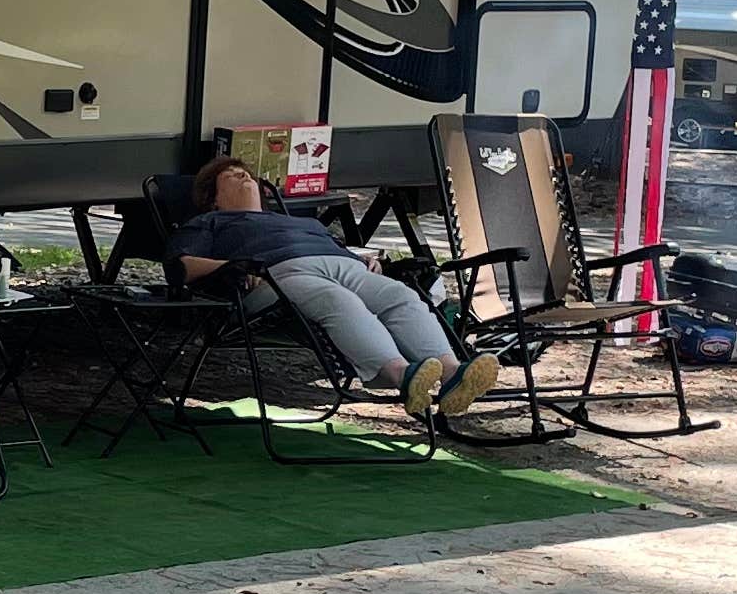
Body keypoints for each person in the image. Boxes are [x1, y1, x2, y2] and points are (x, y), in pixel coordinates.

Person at [168, 155, 504, 419]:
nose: (244, 177)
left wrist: (363, 259)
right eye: (231, 175)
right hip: (276, 275)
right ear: (212, 199)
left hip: (342, 265)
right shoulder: (209, 222)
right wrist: (233, 267)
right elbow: (180, 266)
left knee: (400, 295)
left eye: (246, 173)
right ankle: (402, 376)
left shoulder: (302, 222)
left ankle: (452, 373)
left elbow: (339, 247)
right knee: (338, 300)